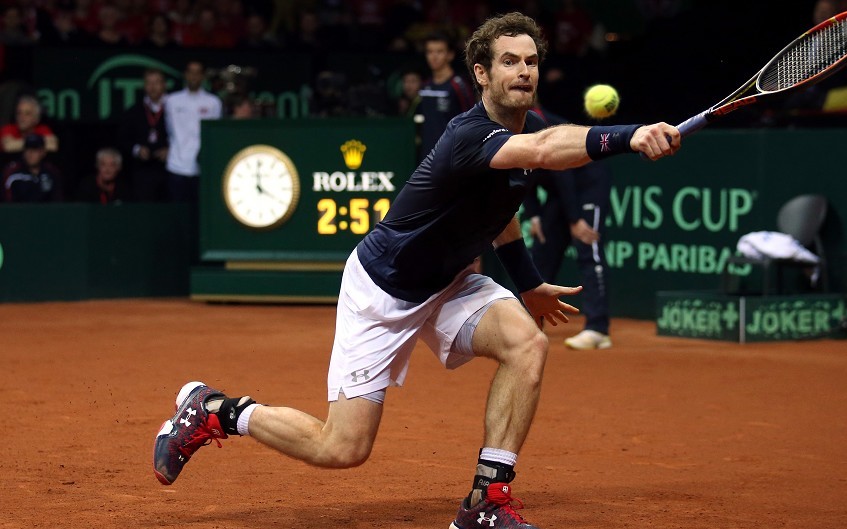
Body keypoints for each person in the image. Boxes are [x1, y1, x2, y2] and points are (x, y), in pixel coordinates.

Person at [152, 12, 679, 529]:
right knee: (341, 449)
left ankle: (485, 501)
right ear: (481, 73)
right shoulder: (469, 135)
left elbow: (504, 213)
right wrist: (629, 136)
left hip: (449, 281)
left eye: (532, 62)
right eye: (510, 61)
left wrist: (530, 284)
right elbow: (543, 151)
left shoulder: (529, 125)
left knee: (527, 344)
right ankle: (216, 411)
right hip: (384, 290)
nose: (524, 71)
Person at [522, 107, 613, 350]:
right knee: (543, 251)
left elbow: (564, 174)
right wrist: (534, 216)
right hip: (560, 192)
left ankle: (597, 328)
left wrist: (575, 220)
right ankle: (530, 321)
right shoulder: (506, 126)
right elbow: (518, 171)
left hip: (586, 184)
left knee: (588, 249)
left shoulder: (543, 124)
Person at [164, 60, 222, 202]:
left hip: (203, 167)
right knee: (178, 212)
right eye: (191, 72)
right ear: (185, 75)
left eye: (197, 73)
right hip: (176, 166)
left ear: (202, 76)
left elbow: (214, 136)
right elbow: (168, 129)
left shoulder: (213, 102)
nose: (194, 76)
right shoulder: (172, 101)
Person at [416, 31, 476, 160]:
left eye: (439, 52)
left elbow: (472, 120)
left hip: (452, 157)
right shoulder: (424, 87)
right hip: (426, 156)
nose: (434, 57)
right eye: (430, 52)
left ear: (450, 55)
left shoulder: (458, 85)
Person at [117, 68, 171, 202]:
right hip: (143, 170)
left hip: (170, 168)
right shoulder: (134, 111)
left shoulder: (175, 108)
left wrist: (171, 150)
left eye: (157, 82)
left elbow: (186, 134)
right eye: (149, 83)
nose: (153, 87)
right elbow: (122, 138)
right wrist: (137, 149)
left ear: (164, 85)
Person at [2, 133, 63, 203]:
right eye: (27, 150)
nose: (30, 154)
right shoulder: (12, 172)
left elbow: (58, 202)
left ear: (43, 152)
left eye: (35, 150)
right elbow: (7, 204)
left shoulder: (51, 172)